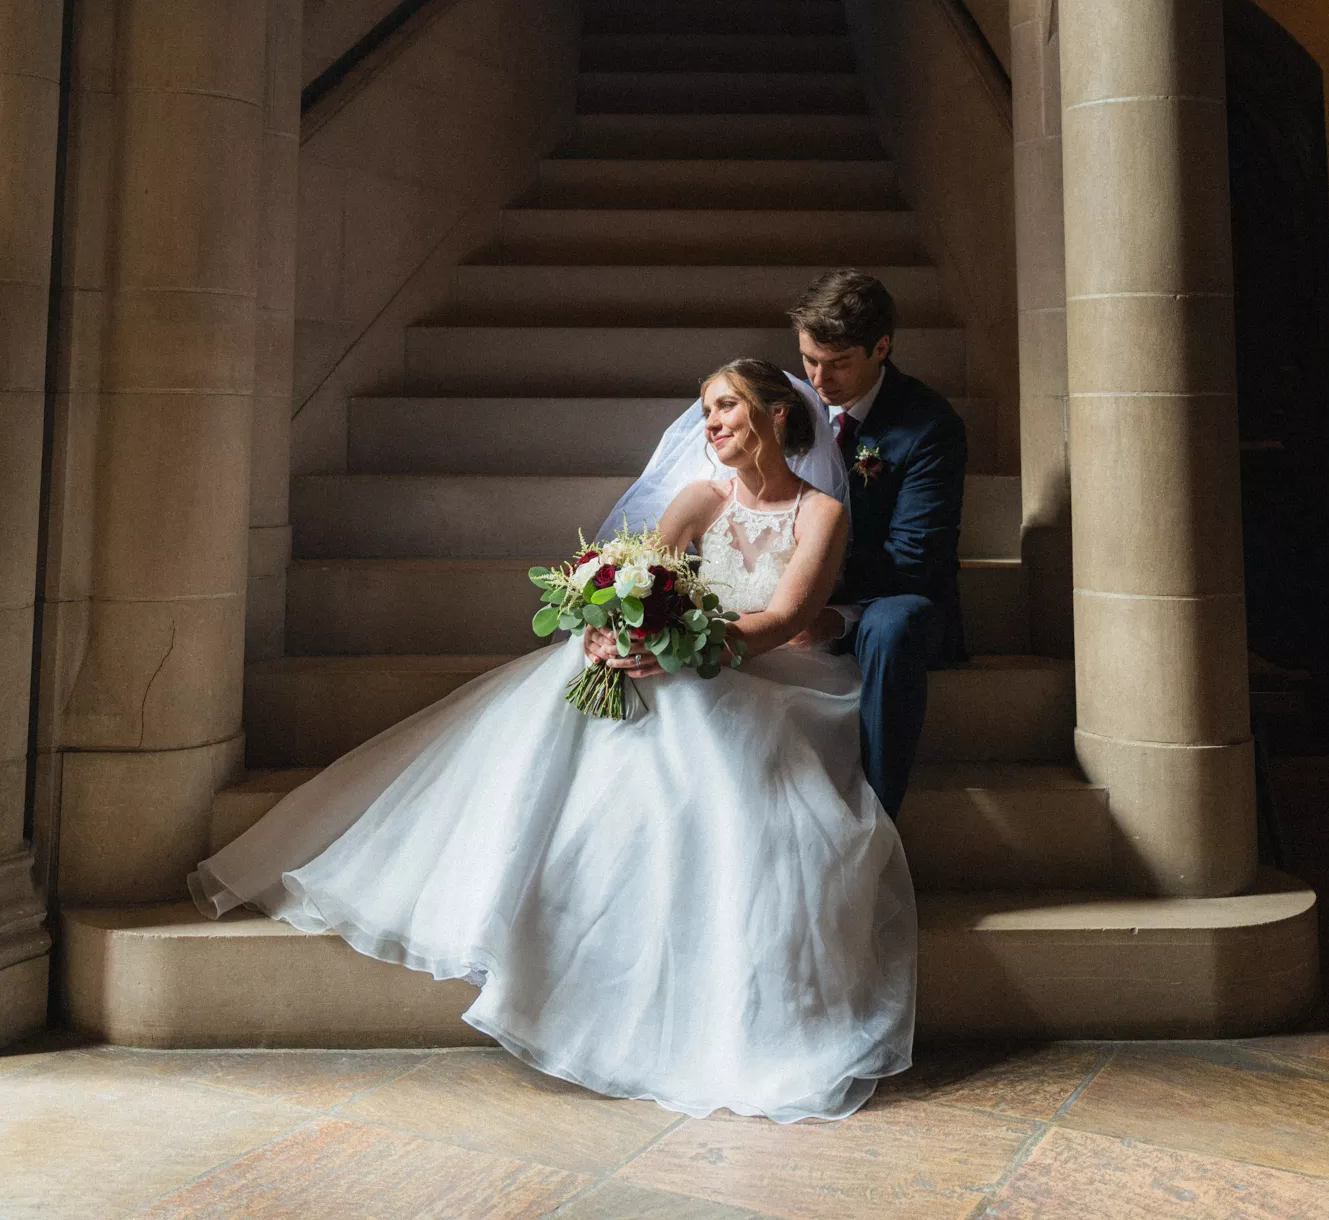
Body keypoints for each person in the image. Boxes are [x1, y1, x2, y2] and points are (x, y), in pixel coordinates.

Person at [190, 359, 917, 1123]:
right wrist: (612, 630)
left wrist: (681, 649)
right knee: (580, 667)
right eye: (704, 408)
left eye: (727, 406)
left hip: (775, 674)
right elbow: (637, 572)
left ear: (776, 415)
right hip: (686, 660)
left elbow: (783, 620)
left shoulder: (821, 513)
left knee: (695, 715)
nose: (710, 422)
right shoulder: (700, 495)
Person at [788, 269, 968, 821]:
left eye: (838, 362)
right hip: (793, 585)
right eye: (809, 359)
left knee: (895, 627)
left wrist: (825, 610)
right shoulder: (789, 407)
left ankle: (877, 819)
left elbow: (913, 560)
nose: (819, 379)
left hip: (885, 596)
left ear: (882, 348)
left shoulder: (929, 427)